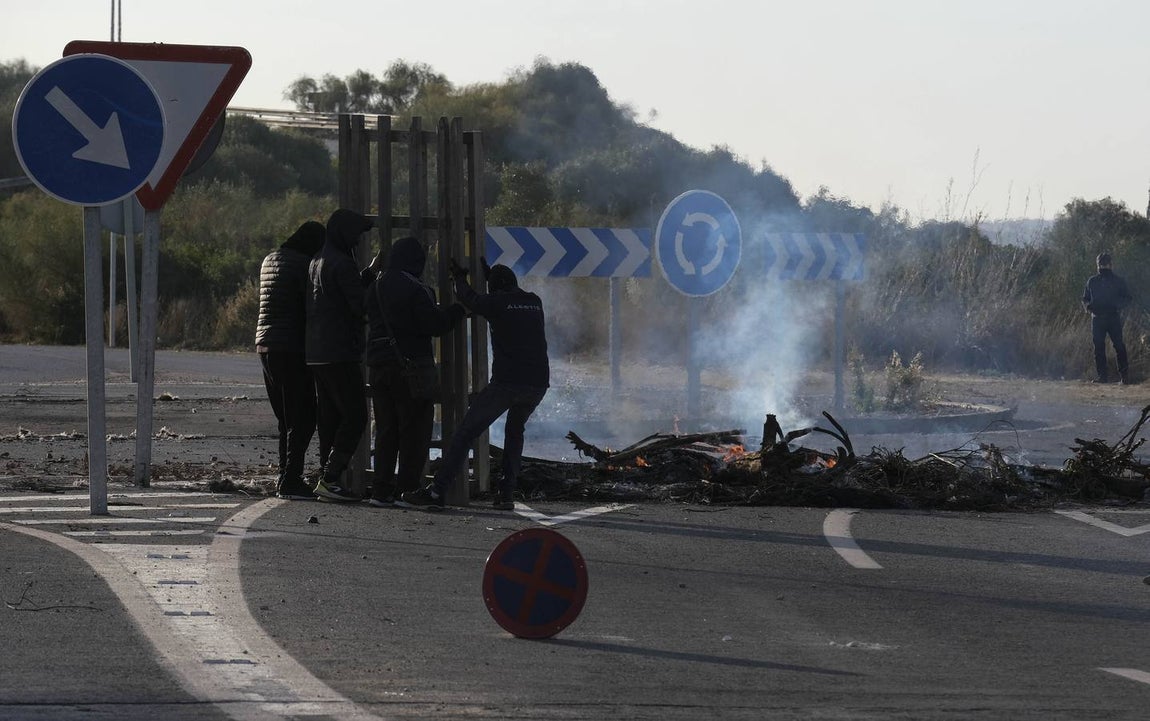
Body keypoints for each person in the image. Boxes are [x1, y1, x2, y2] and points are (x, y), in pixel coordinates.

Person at [402, 260, 549, 511]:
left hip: (507, 383)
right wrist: (492, 276)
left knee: (466, 433)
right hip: (537, 384)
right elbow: (507, 298)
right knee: (515, 434)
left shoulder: (496, 302)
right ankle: (506, 494)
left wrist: (459, 277)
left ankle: (437, 492)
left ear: (495, 288)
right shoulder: (534, 301)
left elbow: (468, 298)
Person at [364, 237, 465, 508]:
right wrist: (457, 310)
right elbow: (433, 325)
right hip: (410, 369)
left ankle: (381, 490)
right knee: (414, 431)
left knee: (386, 430)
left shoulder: (375, 286)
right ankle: (407, 489)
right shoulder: (417, 289)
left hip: (378, 366)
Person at [306, 208, 376, 501]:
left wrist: (367, 273)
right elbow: (358, 304)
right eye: (357, 234)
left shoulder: (317, 260)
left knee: (330, 419)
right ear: (345, 234)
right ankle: (331, 477)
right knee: (357, 415)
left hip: (317, 352)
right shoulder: (343, 263)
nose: (358, 240)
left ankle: (327, 480)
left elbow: (337, 295)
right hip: (340, 352)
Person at [255, 220, 326, 500]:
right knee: (305, 417)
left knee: (285, 418)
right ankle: (290, 479)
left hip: (265, 344)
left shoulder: (269, 260)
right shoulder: (304, 265)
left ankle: (286, 476)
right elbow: (313, 305)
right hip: (292, 347)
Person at [1082, 251, 1132, 384]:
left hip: (1112, 317)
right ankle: (1102, 377)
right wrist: (1088, 307)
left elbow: (1127, 298)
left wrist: (1117, 305)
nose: (1103, 266)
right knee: (1099, 348)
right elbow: (1085, 298)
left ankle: (1124, 377)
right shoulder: (1092, 281)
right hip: (1097, 318)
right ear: (1098, 265)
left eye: (1105, 264)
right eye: (1101, 264)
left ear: (1110, 264)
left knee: (1119, 346)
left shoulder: (1117, 280)